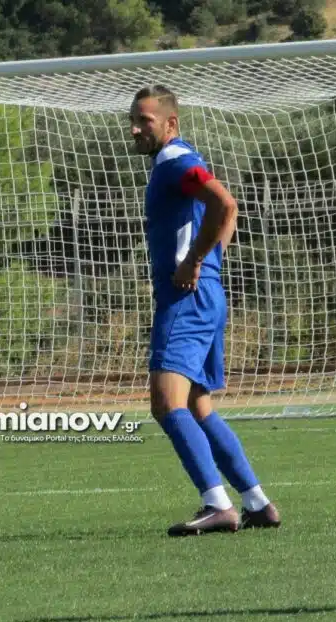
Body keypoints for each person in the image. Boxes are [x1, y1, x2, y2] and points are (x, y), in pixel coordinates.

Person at [129, 84, 280, 536]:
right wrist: (209, 260)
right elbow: (228, 211)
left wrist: (195, 260)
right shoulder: (177, 160)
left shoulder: (175, 161)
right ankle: (256, 502)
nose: (134, 129)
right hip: (205, 293)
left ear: (170, 123)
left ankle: (217, 504)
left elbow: (225, 203)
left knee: (165, 402)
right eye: (132, 121)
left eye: (145, 121)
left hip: (186, 297)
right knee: (198, 406)